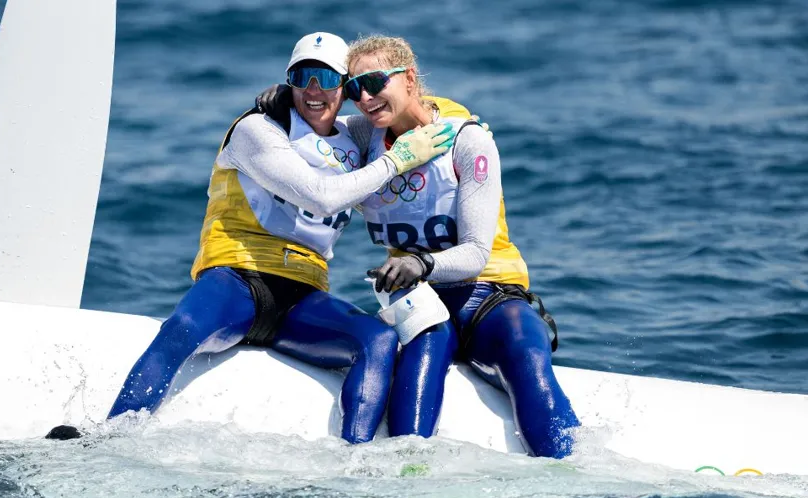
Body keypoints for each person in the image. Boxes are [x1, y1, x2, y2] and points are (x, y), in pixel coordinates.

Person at [47, 33, 457, 444]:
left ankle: (357, 459)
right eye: (302, 77)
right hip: (237, 279)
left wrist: (466, 129)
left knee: (379, 339)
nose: (314, 90)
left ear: (345, 90)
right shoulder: (257, 129)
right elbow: (322, 196)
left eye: (327, 79)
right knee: (183, 326)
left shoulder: (355, 136)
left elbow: (409, 109)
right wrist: (397, 159)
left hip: (302, 294)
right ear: (289, 82)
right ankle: (107, 436)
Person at [345, 35, 581, 458]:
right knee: (421, 360)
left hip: (489, 293)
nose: (363, 97)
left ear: (409, 79)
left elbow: (475, 253)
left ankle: (572, 472)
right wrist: (276, 102)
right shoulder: (364, 136)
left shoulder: (469, 141)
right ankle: (407, 478)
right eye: (351, 88)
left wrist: (420, 263)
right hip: (423, 304)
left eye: (375, 81)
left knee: (526, 348)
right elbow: (311, 121)